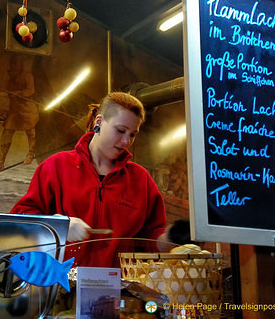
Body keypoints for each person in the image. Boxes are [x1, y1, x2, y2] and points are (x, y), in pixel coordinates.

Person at [11, 91, 172, 267]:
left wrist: (170, 240)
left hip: (117, 288)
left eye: (133, 134)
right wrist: (59, 226)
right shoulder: (56, 166)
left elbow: (150, 236)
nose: (126, 141)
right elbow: (20, 219)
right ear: (99, 122)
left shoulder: (141, 180)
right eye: (120, 130)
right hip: (61, 284)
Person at [0, 57, 38, 175]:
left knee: (31, 132)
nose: (13, 66)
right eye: (12, 64)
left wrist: (18, 94)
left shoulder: (27, 75)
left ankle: (31, 153)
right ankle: (0, 162)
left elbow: (30, 90)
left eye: (15, 64)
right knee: (7, 133)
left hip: (27, 109)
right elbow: (5, 90)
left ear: (20, 65)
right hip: (14, 111)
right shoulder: (10, 76)